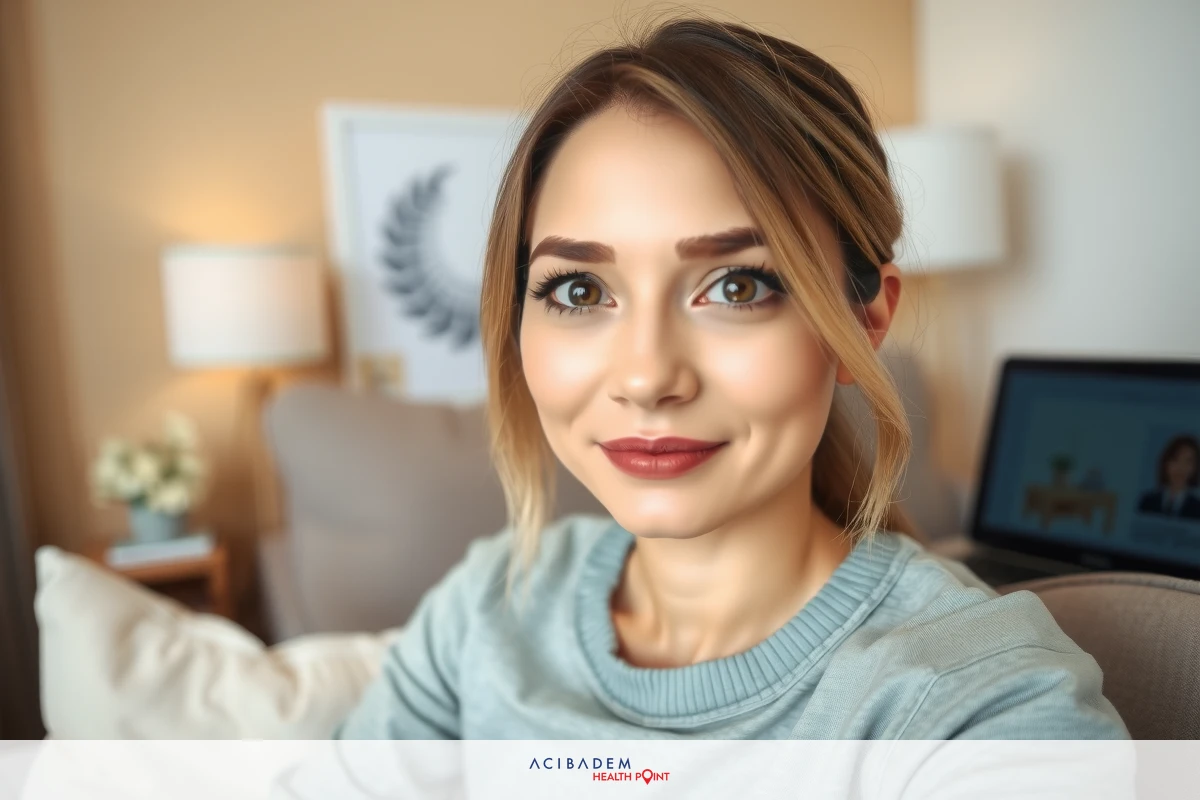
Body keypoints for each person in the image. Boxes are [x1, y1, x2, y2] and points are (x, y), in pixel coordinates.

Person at [334, 17, 1127, 740]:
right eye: (578, 291)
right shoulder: (484, 613)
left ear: (863, 321)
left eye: (737, 287)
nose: (647, 377)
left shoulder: (979, 703)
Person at [1138, 435, 1200, 520]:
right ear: (1166, 463)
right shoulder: (1147, 502)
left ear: (1195, 468)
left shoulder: (1197, 508)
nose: (1181, 468)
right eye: (1175, 459)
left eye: (1188, 461)